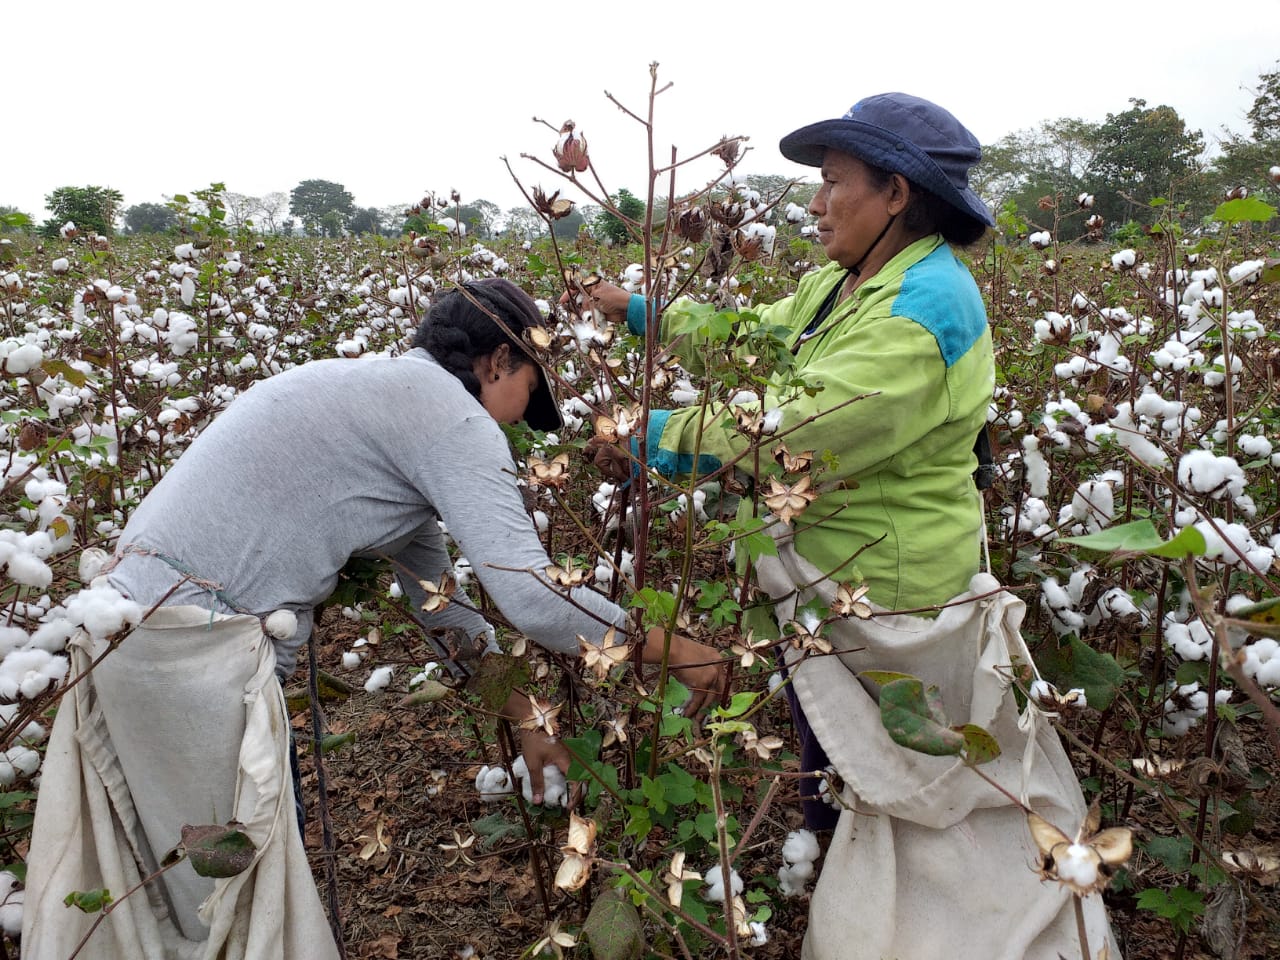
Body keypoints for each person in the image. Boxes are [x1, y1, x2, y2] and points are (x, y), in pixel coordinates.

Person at [23, 278, 726, 960]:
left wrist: (525, 715)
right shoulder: (449, 415)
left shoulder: (376, 399)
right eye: (525, 395)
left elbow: (439, 602)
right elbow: (531, 596)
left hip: (138, 640)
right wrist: (666, 646)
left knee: (195, 902)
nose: (512, 422)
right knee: (234, 909)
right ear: (498, 360)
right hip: (190, 663)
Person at [584, 94, 1119, 959]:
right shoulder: (847, 283)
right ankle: (862, 895)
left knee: (908, 785)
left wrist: (649, 439)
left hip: (894, 603)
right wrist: (642, 312)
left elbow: (800, 429)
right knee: (842, 762)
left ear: (896, 193)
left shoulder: (925, 309)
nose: (815, 202)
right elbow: (756, 337)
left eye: (833, 183)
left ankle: (924, 923)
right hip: (829, 590)